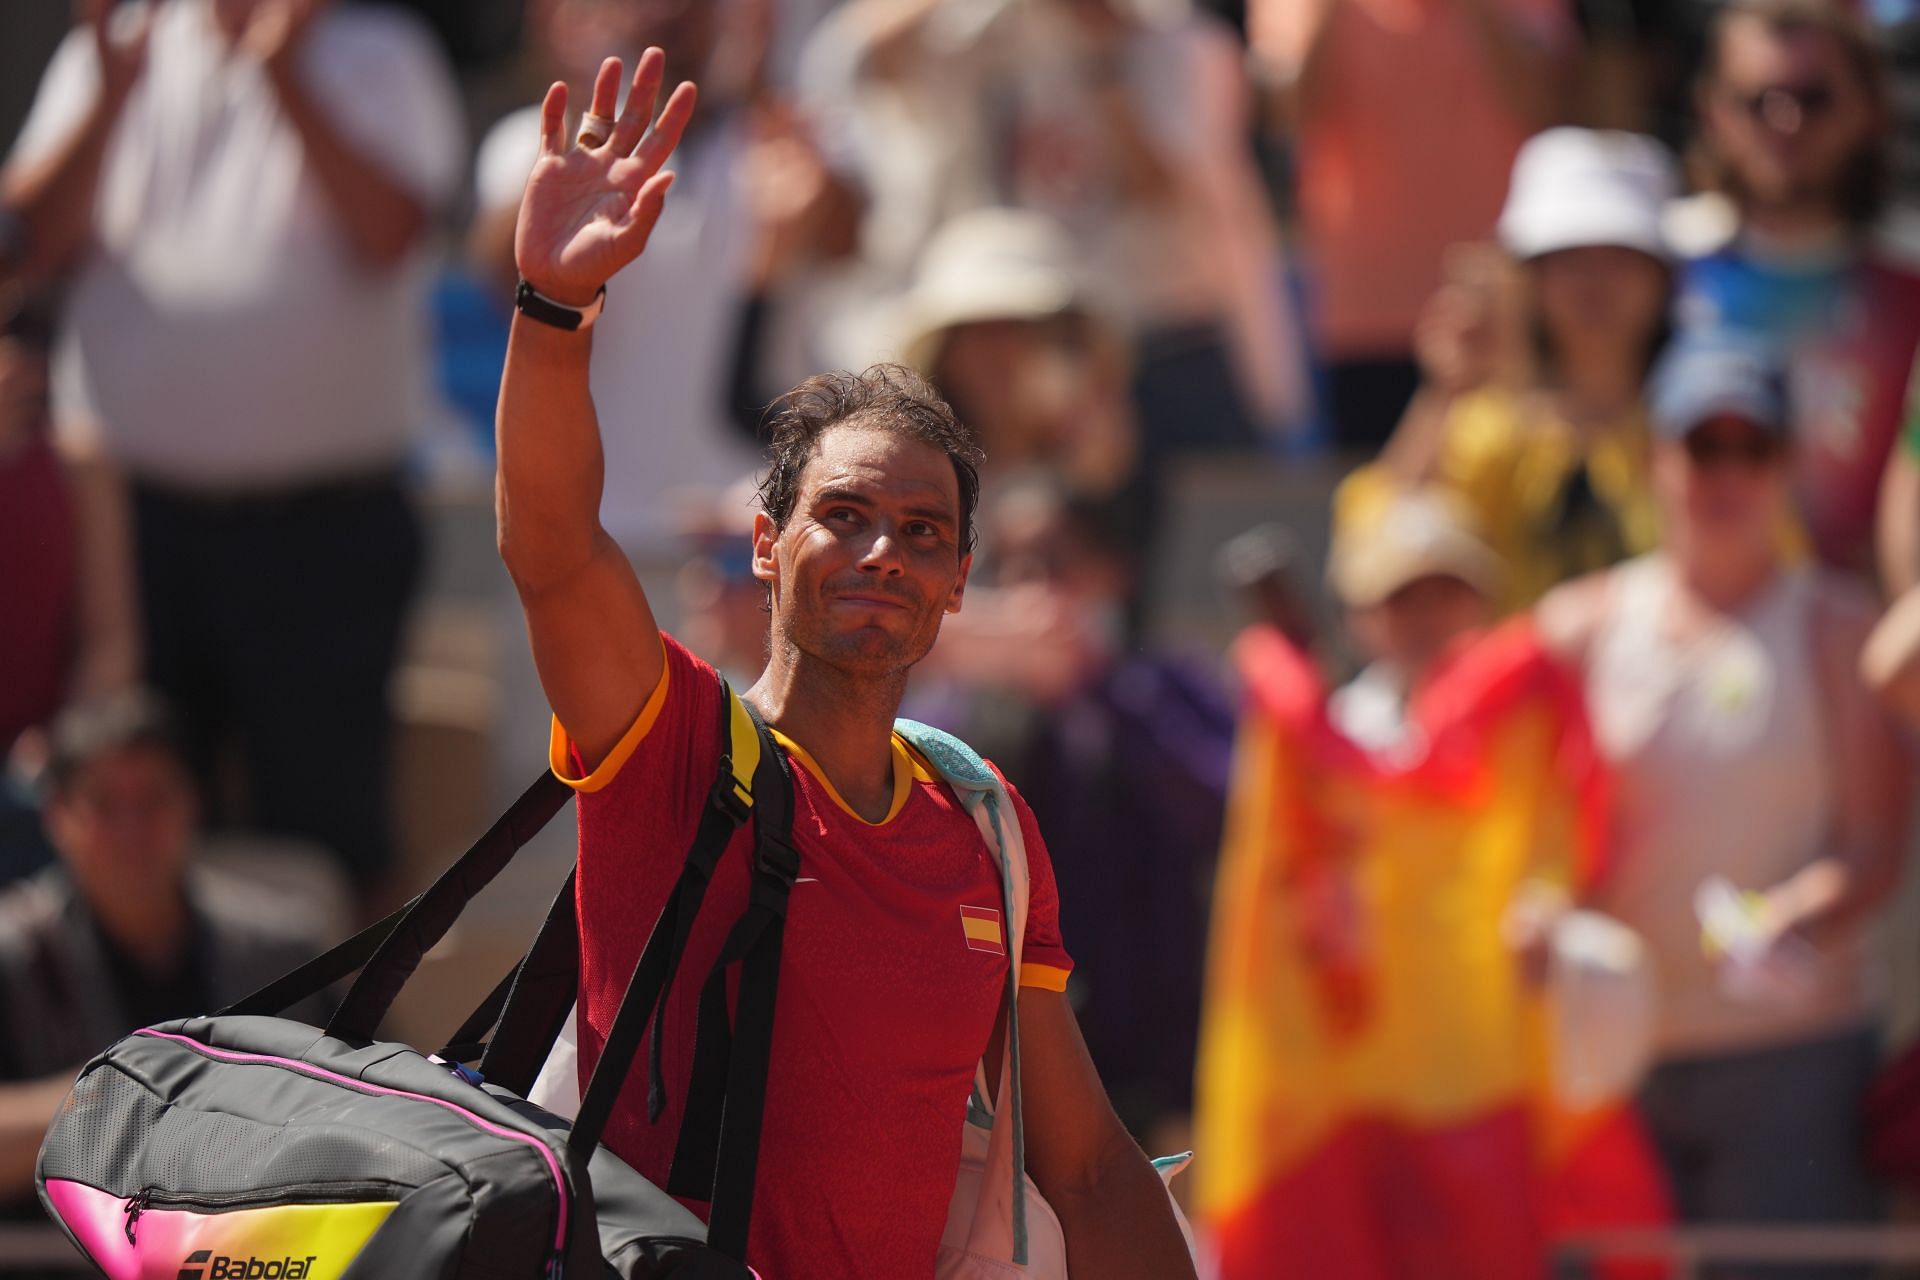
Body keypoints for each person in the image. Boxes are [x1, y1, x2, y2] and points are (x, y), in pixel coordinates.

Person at [496, 48, 1195, 1278]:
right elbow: (552, 551)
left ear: (959, 581)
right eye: (846, 516)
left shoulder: (984, 825)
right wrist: (556, 313)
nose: (884, 552)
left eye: (924, 532)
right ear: (767, 545)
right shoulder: (670, 742)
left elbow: (1083, 1164)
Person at [2, 0, 464, 897]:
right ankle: (147, 1042)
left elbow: (390, 235)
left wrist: (284, 77)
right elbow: (27, 245)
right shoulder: (115, 49)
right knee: (124, 818)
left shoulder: (381, 55)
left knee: (329, 831)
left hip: (323, 532)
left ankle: (336, 1038)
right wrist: (106, 94)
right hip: (130, 537)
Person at [1195, 485, 1669, 1280]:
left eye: (1446, 592)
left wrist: (1549, 909)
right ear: (1361, 617)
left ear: (1481, 601)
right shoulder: (1318, 748)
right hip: (1353, 1084)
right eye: (1401, 597)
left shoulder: (1524, 727)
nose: (1425, 617)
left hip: (1482, 1070)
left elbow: (1556, 839)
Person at [1539, 335, 1909, 1274]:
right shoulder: (1576, 629)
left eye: (1755, 448)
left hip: (1794, 1061)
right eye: (1705, 446)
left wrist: (1786, 918)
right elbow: (1524, 827)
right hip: (1607, 1065)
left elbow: (1874, 849)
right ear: (1656, 462)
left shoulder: (1836, 628)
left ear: (1786, 466)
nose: (1728, 474)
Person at [0, 691, 333, 1214]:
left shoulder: (282, 953)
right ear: (57, 816)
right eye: (104, 804)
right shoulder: (13, 956)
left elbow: (365, 1110)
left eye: (154, 799)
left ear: (192, 803)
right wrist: (125, 1093)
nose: (133, 830)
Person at [1249, 0, 1575, 451]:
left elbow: (1542, 102)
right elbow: (1291, 116)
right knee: (1379, 505)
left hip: (1495, 313)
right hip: (1364, 316)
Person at [1382, 127, 1679, 612]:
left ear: (1663, 277)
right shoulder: (1487, 430)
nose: (1595, 281)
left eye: (1621, 257)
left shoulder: (1708, 436)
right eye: (1569, 259)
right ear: (1527, 277)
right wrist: (1444, 392)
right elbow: (1382, 558)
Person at [1674, 0, 1920, 582]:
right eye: (1758, 101)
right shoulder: (1656, 261)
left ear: (1870, 108)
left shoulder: (1912, 280)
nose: (1785, 123)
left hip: (1872, 637)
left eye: (1814, 99)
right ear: (1711, 111)